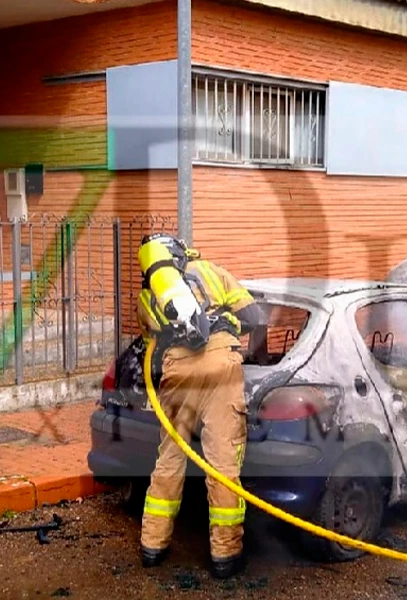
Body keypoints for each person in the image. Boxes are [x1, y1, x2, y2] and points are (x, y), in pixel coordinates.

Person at [135, 233, 263, 580]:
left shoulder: (150, 295)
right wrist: (236, 340)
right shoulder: (213, 272)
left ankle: (152, 547)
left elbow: (151, 348)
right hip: (222, 364)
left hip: (177, 373)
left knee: (170, 461)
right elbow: (255, 317)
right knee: (223, 465)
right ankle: (225, 555)